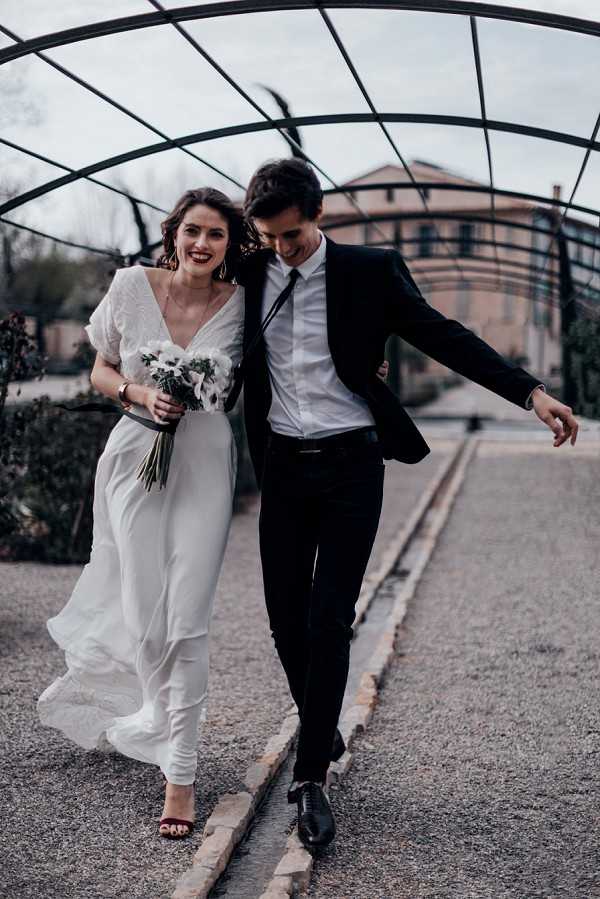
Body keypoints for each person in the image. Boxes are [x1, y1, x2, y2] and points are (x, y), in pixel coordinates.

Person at [230, 158, 579, 850]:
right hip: (283, 468)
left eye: (292, 236)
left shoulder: (368, 271)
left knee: (330, 615)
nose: (281, 250)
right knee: (283, 619)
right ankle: (320, 716)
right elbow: (180, 281)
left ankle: (311, 780)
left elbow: (446, 335)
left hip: (351, 465)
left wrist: (531, 392)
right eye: (268, 238)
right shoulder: (247, 272)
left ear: (319, 214)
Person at [37, 187, 254, 839]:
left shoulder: (243, 304)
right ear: (174, 233)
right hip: (136, 452)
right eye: (193, 230)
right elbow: (99, 366)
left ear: (229, 247)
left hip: (207, 461)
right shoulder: (131, 286)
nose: (201, 244)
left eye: (216, 235)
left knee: (188, 614)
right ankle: (157, 719)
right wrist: (139, 390)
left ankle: (180, 775)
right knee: (144, 613)